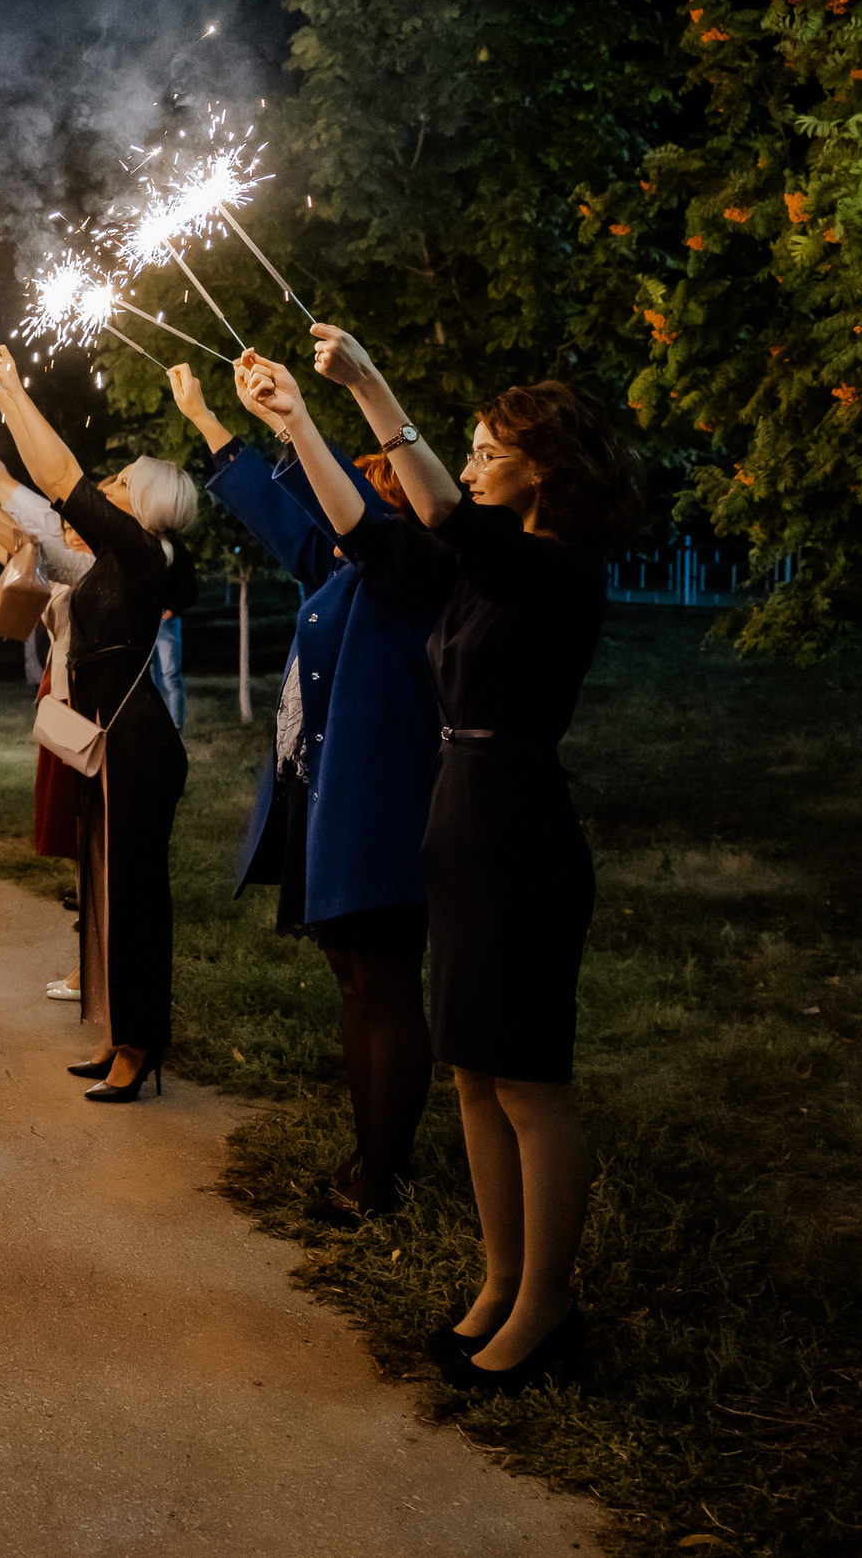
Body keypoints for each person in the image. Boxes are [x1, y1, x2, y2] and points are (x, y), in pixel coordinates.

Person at [238, 324, 640, 1393]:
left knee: (528, 1081)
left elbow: (448, 516)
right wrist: (296, 423)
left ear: (542, 469)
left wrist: (368, 385)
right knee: (472, 1072)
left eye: (484, 449)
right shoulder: (470, 571)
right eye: (460, 447)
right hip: (456, 817)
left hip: (520, 829)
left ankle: (546, 1302)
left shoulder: (553, 572)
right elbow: (368, 532)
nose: (466, 465)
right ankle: (498, 1281)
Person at [169, 362, 440, 1219]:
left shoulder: (415, 568)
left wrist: (298, 424)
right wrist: (210, 422)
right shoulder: (341, 569)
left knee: (386, 988)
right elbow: (280, 514)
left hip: (386, 811)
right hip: (333, 806)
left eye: (369, 477)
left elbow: (336, 515)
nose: (348, 487)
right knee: (356, 984)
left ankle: (384, 1177)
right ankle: (368, 1158)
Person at [0, 345, 195, 1103]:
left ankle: (140, 1045)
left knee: (134, 897)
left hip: (136, 741)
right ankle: (116, 1034)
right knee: (103, 893)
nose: (110, 486)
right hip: (109, 739)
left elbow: (62, 484)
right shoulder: (108, 562)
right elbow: (31, 545)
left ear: (148, 503)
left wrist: (12, 394)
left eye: (124, 482)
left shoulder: (141, 555)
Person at [0, 464, 93, 1001]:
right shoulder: (84, 564)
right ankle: (86, 963)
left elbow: (34, 542)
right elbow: (19, 556)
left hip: (83, 710)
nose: (73, 524)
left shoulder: (106, 569)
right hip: (64, 703)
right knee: (78, 841)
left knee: (89, 842)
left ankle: (92, 967)